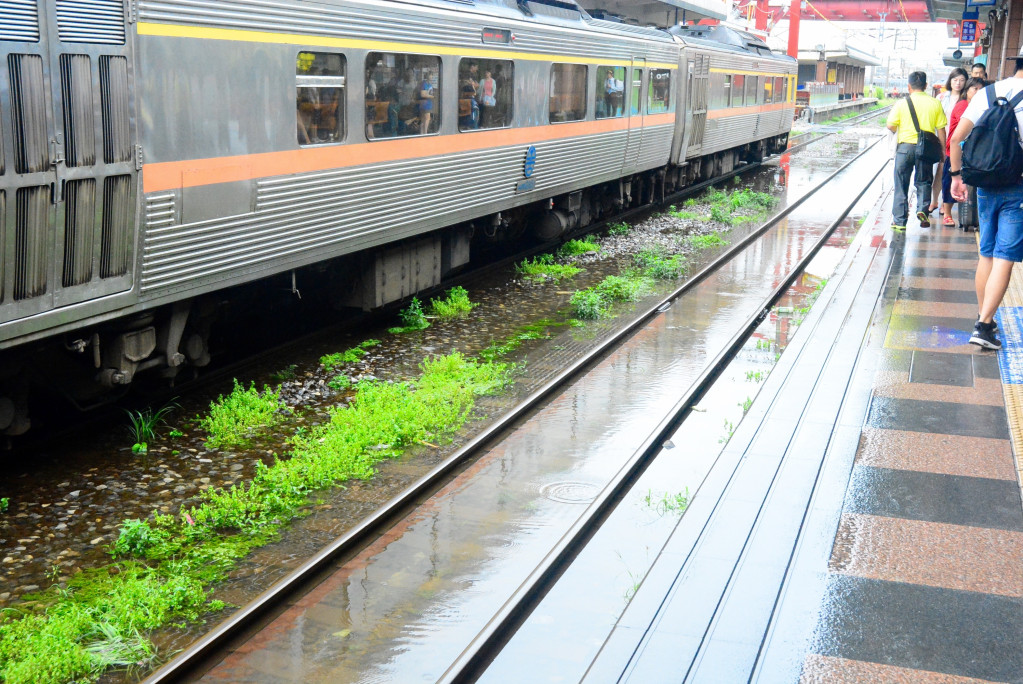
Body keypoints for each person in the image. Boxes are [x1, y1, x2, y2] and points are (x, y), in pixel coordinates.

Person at [950, 53, 1023, 349]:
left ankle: (987, 322)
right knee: (1005, 256)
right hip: (1016, 187)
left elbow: (956, 138)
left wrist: (956, 176)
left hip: (983, 183)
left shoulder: (986, 93)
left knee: (987, 253)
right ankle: (982, 325)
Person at [887, 71, 948, 230]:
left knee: (901, 184)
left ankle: (899, 222)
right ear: (926, 86)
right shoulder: (935, 103)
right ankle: (922, 210)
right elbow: (941, 130)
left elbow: (890, 125)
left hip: (905, 149)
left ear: (909, 86)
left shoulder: (901, 103)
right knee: (924, 182)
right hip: (926, 149)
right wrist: (942, 152)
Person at [940, 77, 986, 226]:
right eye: (975, 89)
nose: (978, 92)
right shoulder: (963, 105)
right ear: (967, 91)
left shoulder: (976, 105)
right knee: (950, 182)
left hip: (969, 152)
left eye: (981, 89)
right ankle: (947, 213)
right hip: (955, 152)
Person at [936, 68, 969, 222]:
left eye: (962, 80)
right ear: (950, 80)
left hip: (958, 141)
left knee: (949, 172)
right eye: (955, 79)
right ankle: (934, 200)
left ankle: (945, 205)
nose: (958, 83)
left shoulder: (966, 99)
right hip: (943, 138)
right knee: (940, 170)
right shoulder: (942, 97)